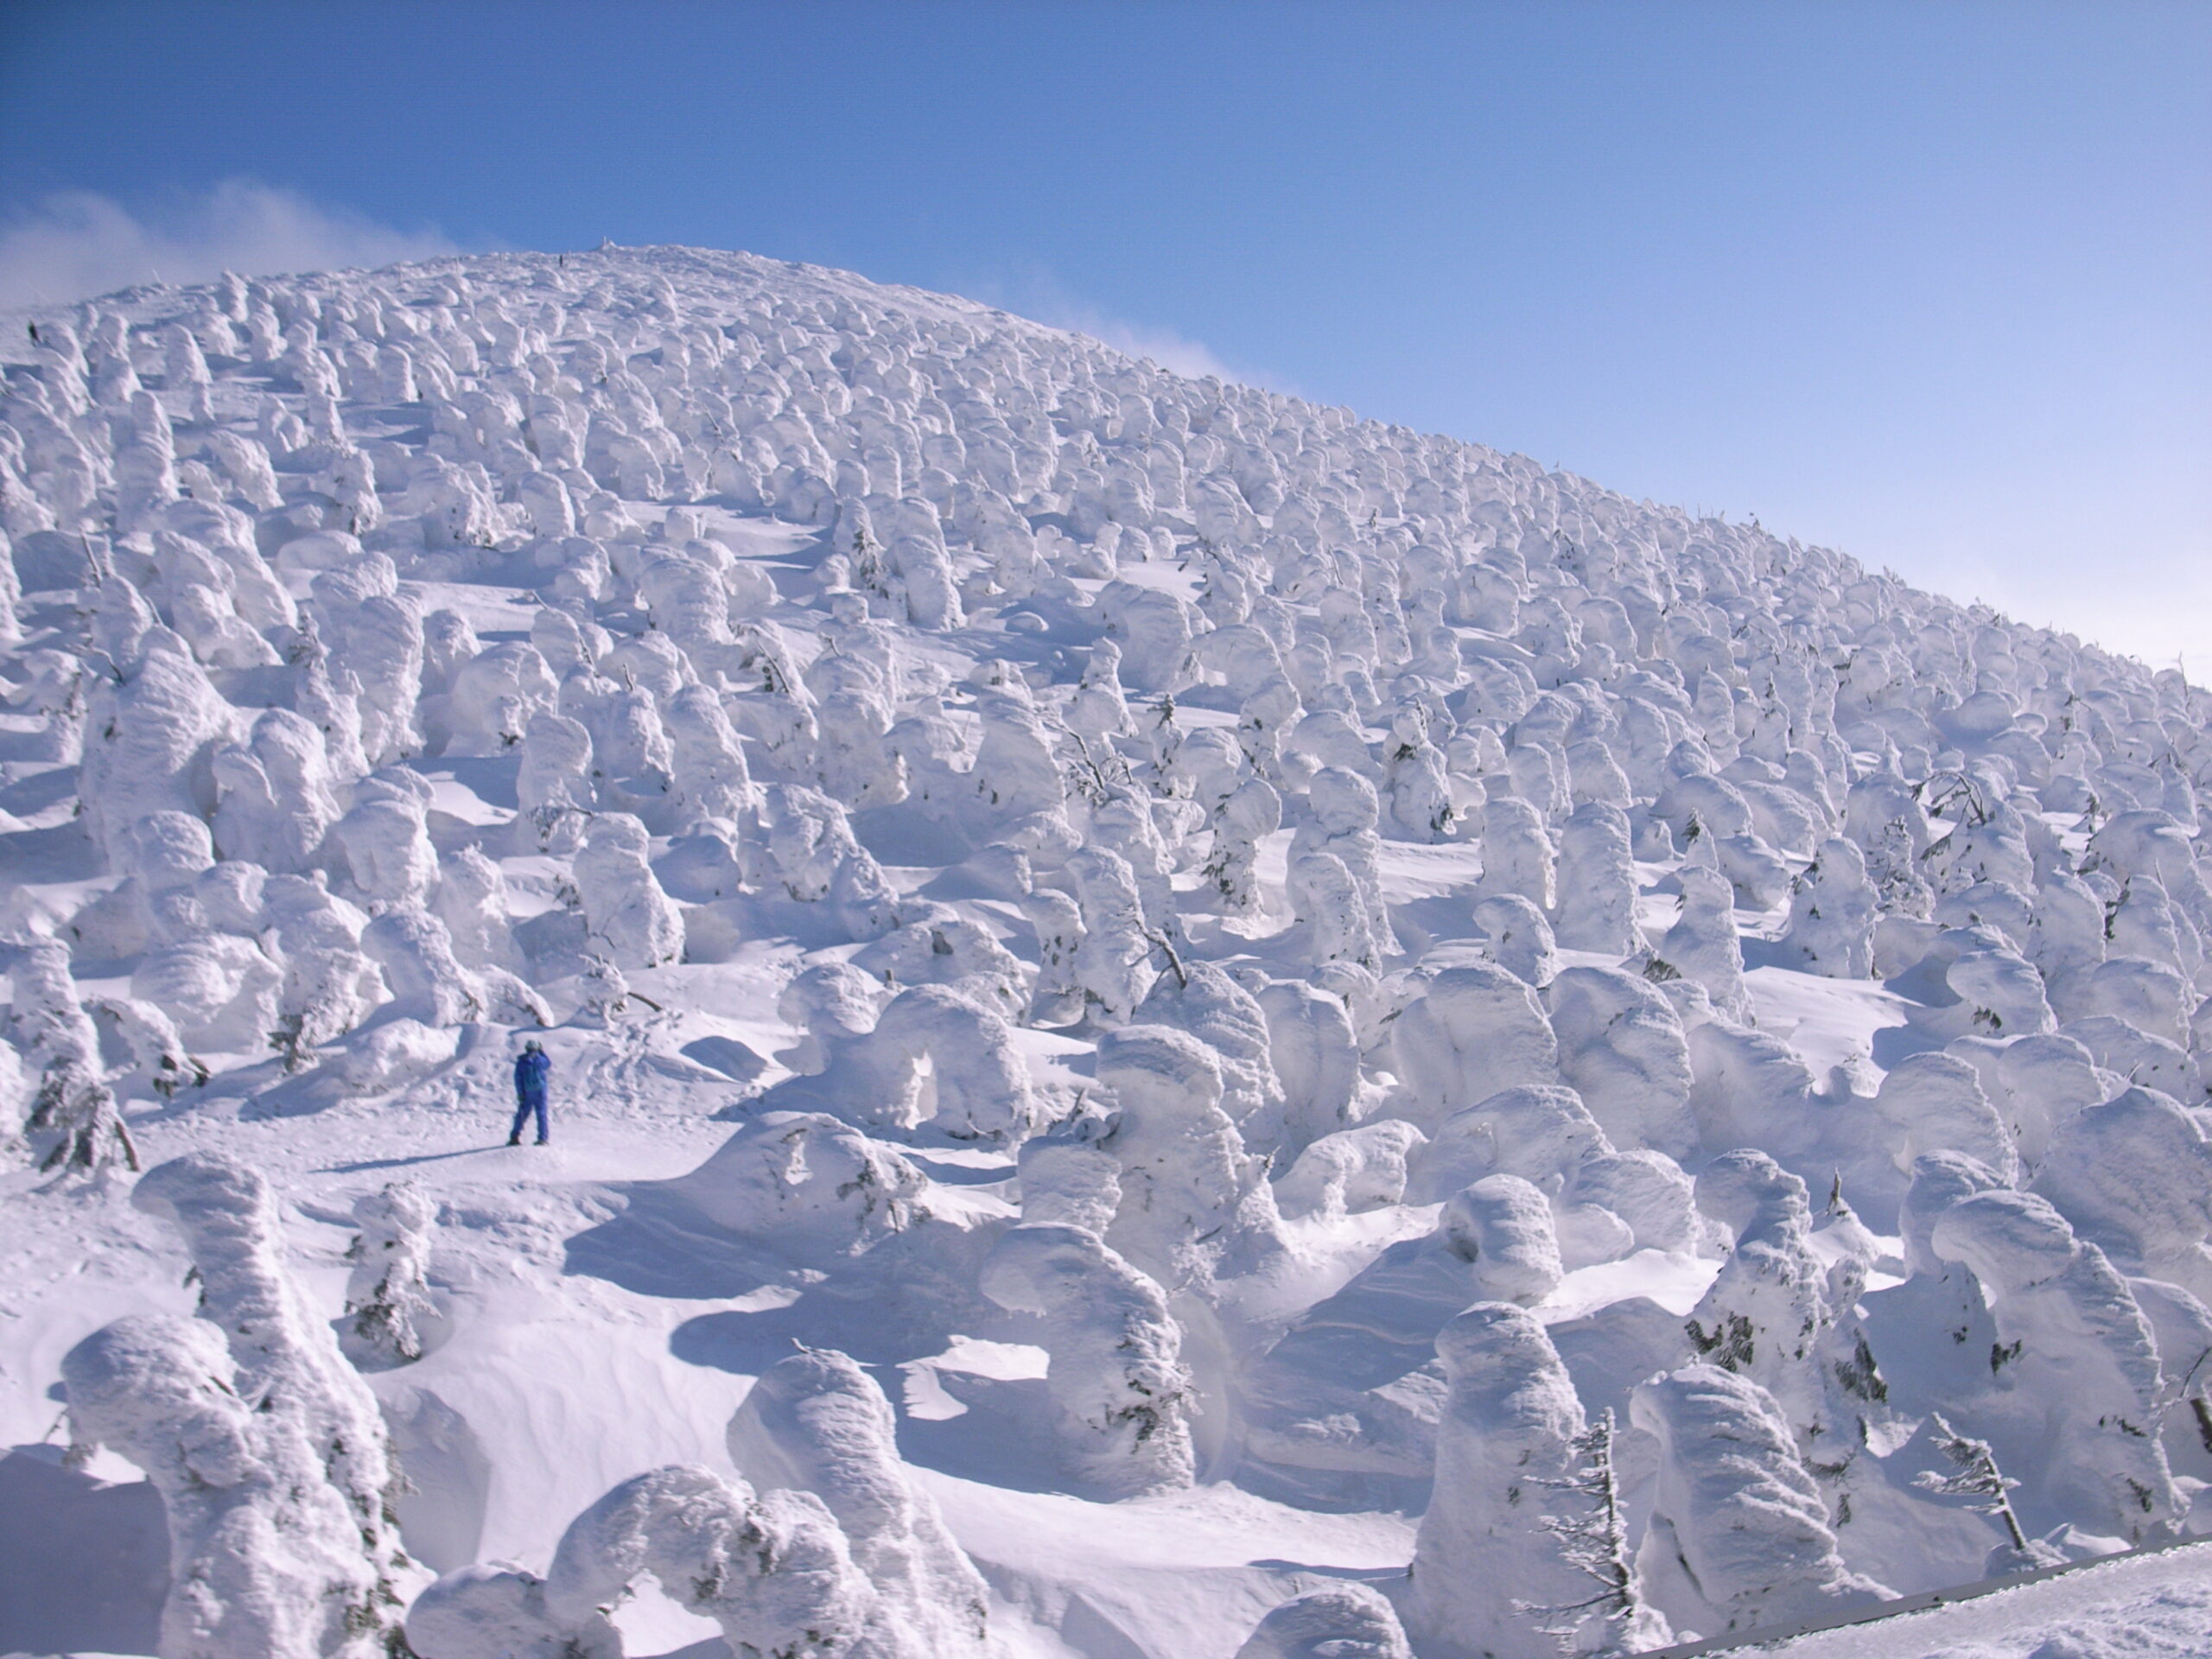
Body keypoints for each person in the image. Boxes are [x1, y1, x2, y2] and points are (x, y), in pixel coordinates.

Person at [509, 1039, 551, 1146]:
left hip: (527, 1093)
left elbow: (518, 1079)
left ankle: (515, 1136)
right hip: (540, 1092)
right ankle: (543, 1138)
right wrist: (542, 1051)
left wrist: (520, 1093)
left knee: (522, 1115)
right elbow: (548, 1063)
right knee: (541, 1115)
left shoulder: (521, 1062)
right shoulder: (540, 1060)